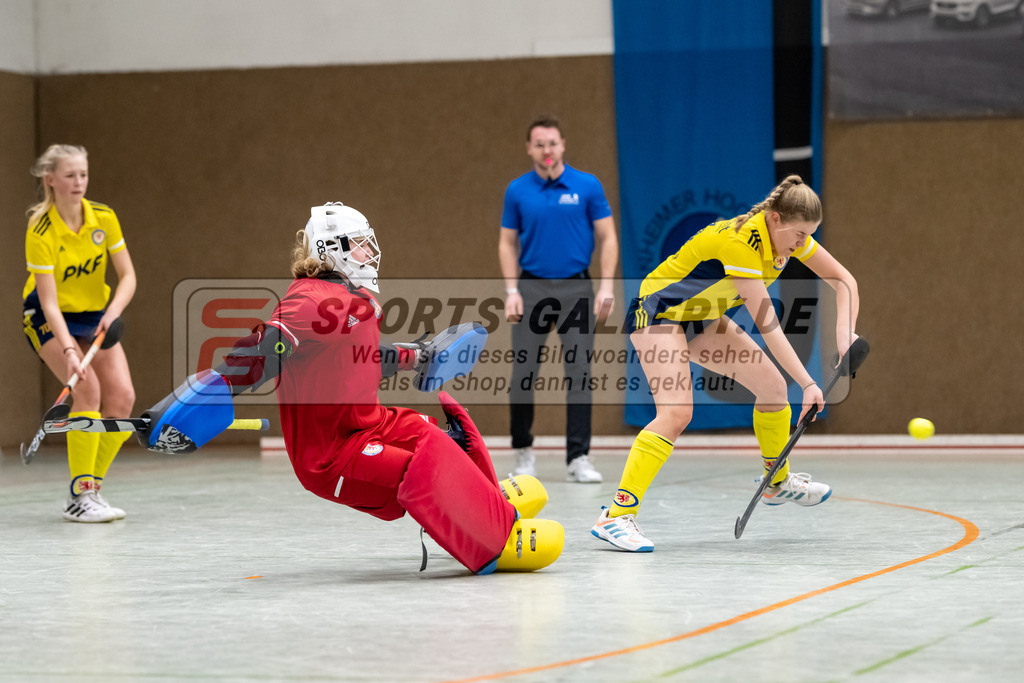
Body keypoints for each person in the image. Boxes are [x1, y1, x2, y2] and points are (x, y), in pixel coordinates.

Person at [157, 202, 563, 574]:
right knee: (427, 465)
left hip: (371, 423)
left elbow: (362, 359)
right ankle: (494, 541)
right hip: (332, 453)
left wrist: (417, 355)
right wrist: (212, 393)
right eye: (361, 246)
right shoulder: (310, 299)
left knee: (447, 434)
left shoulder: (353, 300)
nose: (371, 254)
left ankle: (488, 503)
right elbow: (263, 350)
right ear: (332, 249)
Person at [591, 175, 860, 552]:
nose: (803, 244)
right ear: (775, 220)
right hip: (659, 312)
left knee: (772, 388)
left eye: (809, 236)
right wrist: (809, 383)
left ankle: (777, 484)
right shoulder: (741, 244)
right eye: (799, 235)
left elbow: (844, 280)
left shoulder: (787, 238)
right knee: (676, 412)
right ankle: (616, 516)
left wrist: (844, 334)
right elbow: (768, 325)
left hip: (702, 315)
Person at [499, 115, 619, 483]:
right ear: (529, 149)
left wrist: (606, 286)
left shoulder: (587, 186)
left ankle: (578, 458)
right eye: (539, 144)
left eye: (552, 143)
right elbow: (506, 242)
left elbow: (608, 237)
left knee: (579, 374)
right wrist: (512, 291)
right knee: (524, 372)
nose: (546, 150)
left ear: (563, 144)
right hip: (531, 289)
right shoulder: (518, 191)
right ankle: (523, 454)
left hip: (577, 290)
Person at [22, 144, 137, 523]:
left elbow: (127, 276)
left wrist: (113, 313)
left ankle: (90, 489)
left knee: (121, 399)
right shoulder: (40, 230)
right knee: (87, 391)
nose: (79, 182)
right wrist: (70, 349)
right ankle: (80, 495)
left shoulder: (104, 217)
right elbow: (49, 302)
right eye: (70, 175)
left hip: (95, 314)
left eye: (83, 174)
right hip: (47, 315)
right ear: (50, 179)